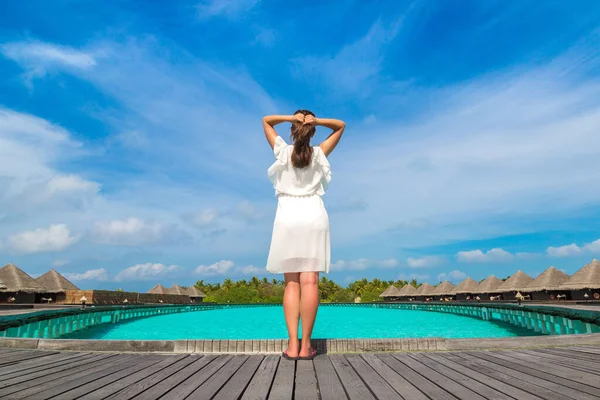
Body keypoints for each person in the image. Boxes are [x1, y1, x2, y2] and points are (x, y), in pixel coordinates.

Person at [263, 110, 345, 360]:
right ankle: (307, 345)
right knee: (310, 282)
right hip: (313, 216)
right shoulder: (319, 153)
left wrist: (291, 117)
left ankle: (292, 346)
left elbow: (266, 120)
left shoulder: (282, 151)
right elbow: (340, 126)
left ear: (293, 129)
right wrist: (317, 121)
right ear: (312, 131)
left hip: (288, 218)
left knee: (291, 283)